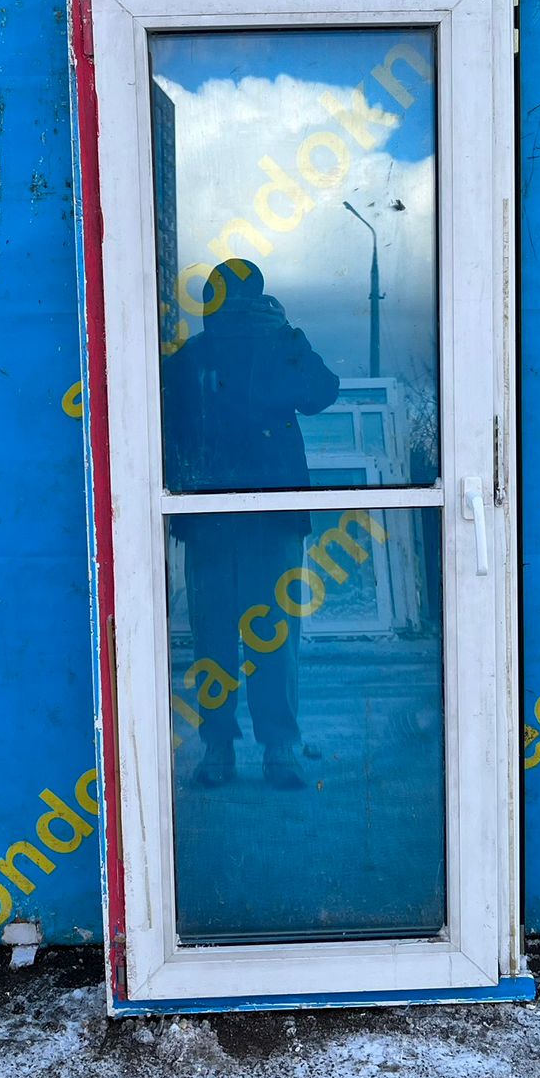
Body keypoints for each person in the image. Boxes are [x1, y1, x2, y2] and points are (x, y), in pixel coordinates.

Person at [161, 261, 340, 789]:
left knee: (222, 637)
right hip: (249, 515)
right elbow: (322, 392)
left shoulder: (200, 355)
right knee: (263, 635)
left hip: (225, 516)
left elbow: (320, 392)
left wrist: (287, 336)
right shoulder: (258, 347)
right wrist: (290, 337)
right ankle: (269, 749)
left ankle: (229, 750)